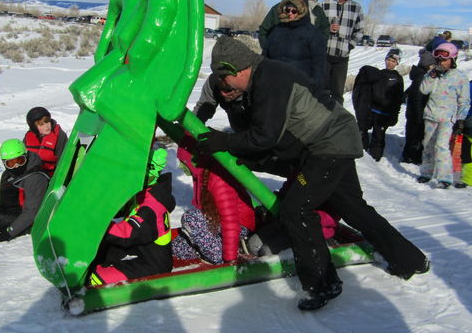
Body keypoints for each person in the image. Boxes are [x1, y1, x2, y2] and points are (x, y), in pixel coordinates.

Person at [196, 37, 429, 311]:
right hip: (330, 142)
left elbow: (265, 136)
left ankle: (323, 284)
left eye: (225, 80)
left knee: (296, 210)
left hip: (329, 145)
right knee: (353, 208)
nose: (224, 87)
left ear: (238, 70)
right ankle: (411, 260)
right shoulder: (260, 77)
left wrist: (224, 142)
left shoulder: (269, 78)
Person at [88, 148, 175, 285]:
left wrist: (99, 227)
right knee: (93, 253)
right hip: (137, 249)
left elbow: (129, 233)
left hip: (152, 265)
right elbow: (118, 209)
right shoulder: (141, 193)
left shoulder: (153, 204)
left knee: (95, 278)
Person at [172, 136, 256, 264]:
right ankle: (215, 247)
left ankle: (220, 255)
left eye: (183, 162)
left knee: (191, 218)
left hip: (238, 226)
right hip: (218, 222)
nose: (181, 166)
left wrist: (229, 258)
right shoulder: (200, 175)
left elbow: (230, 221)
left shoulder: (219, 178)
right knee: (178, 247)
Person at [417, 43, 470, 189]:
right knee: (427, 145)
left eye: (445, 60)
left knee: (441, 146)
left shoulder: (459, 77)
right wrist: (432, 76)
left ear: (452, 60)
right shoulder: (432, 74)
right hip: (431, 114)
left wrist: (461, 119)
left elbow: (464, 101)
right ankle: (427, 172)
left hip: (447, 118)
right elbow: (423, 90)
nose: (442, 62)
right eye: (439, 60)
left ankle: (445, 177)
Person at [262, 0, 327, 89]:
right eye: (288, 10)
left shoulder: (313, 33)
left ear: (301, 11)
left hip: (299, 88)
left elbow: (319, 65)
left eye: (294, 10)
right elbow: (265, 56)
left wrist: (316, 89)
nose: (290, 13)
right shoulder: (276, 30)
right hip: (274, 85)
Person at [320, 0, 365, 103]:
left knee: (337, 92)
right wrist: (327, 29)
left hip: (342, 57)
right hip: (325, 54)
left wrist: (350, 45)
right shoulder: (324, 4)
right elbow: (316, 25)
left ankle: (335, 121)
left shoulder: (356, 7)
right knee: (321, 89)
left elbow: (360, 30)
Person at [352, 50, 404, 161]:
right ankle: (362, 156)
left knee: (378, 137)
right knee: (362, 131)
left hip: (385, 114)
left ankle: (375, 159)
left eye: (393, 61)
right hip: (371, 111)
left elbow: (398, 99)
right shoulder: (378, 74)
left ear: (397, 63)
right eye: (388, 60)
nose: (390, 63)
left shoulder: (398, 79)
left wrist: (395, 114)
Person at [258, 0, 329, 48]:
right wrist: (268, 50)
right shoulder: (277, 9)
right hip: (280, 57)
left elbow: (325, 29)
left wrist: (318, 47)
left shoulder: (315, 9)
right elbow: (263, 31)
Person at [402, 50, 436, 164]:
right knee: (415, 136)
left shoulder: (419, 75)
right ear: (428, 65)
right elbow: (417, 98)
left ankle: (410, 155)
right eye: (433, 64)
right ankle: (412, 157)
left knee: (412, 135)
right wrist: (419, 115)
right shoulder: (421, 78)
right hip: (417, 113)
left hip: (414, 112)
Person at [23, 106, 68, 176]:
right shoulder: (28, 138)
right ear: (34, 127)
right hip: (33, 175)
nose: (46, 126)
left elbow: (64, 160)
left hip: (53, 176)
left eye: (47, 122)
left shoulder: (59, 136)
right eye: (42, 124)